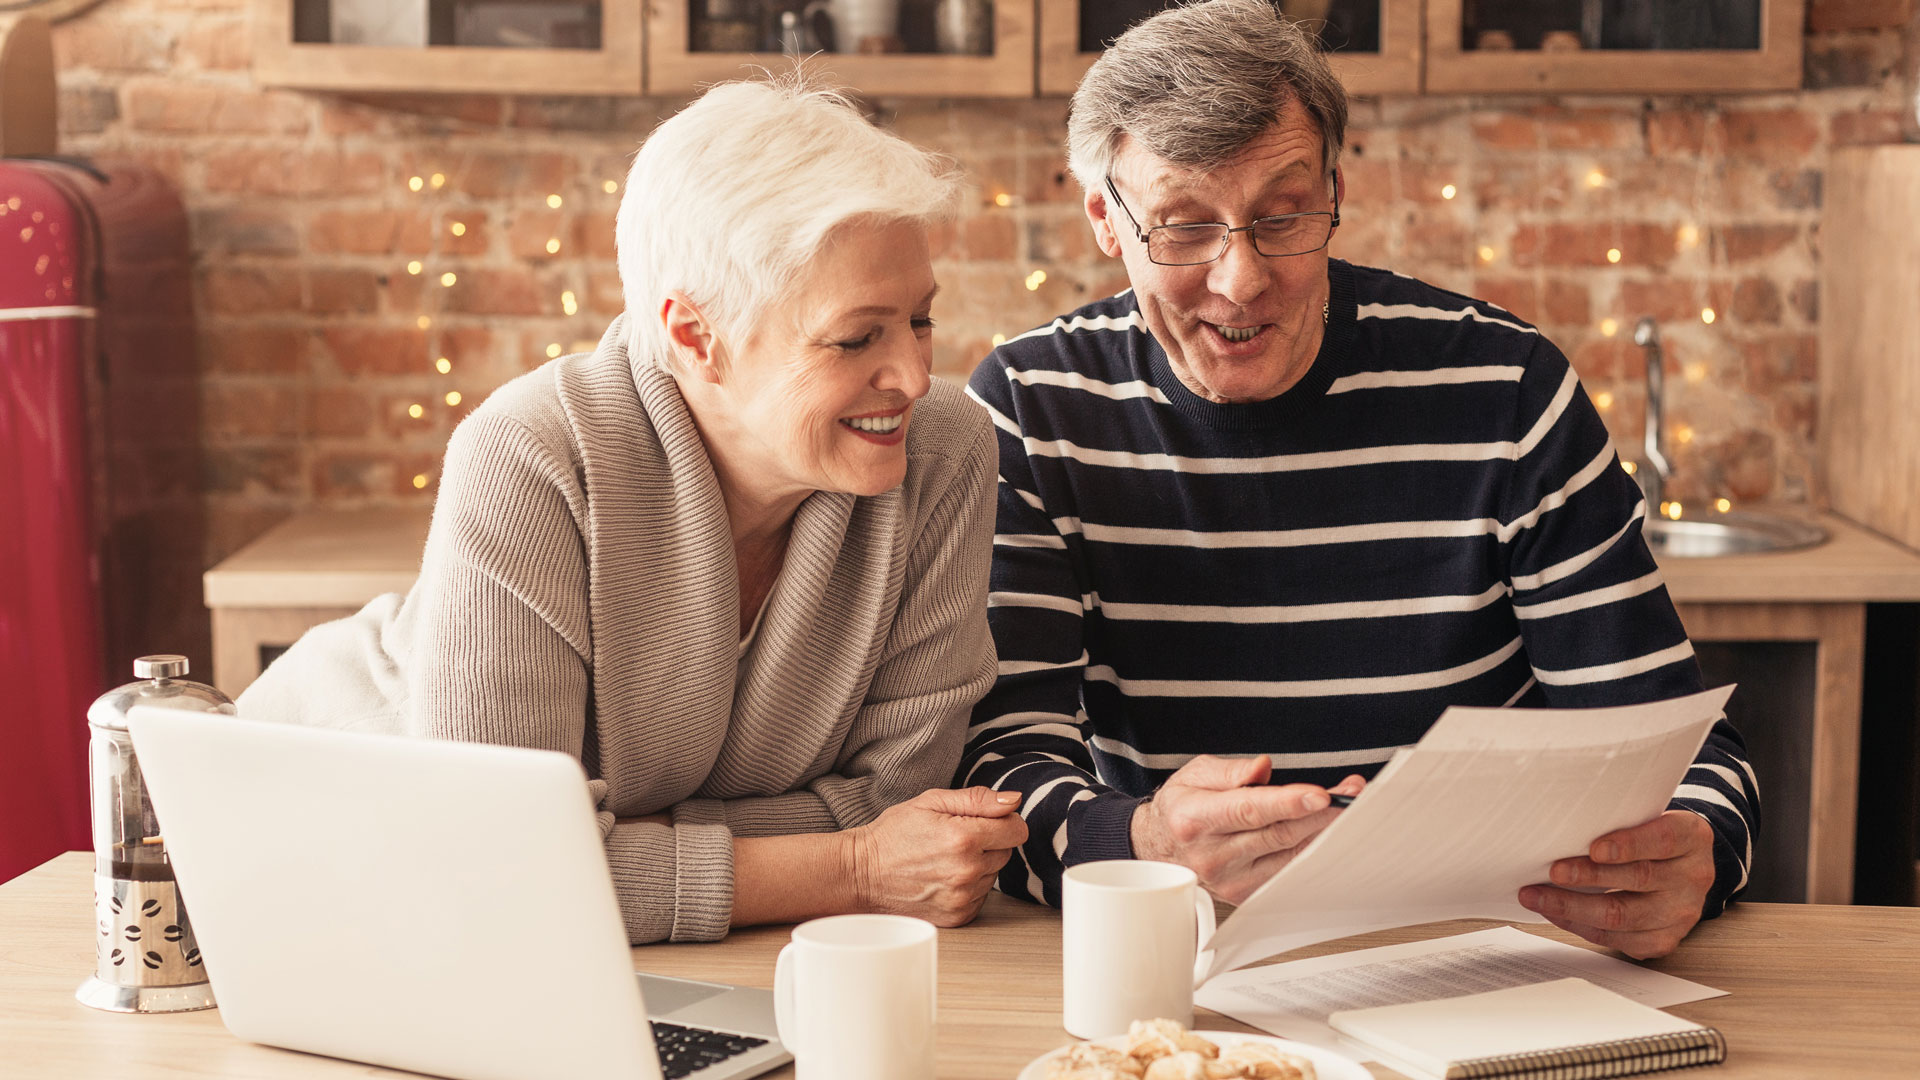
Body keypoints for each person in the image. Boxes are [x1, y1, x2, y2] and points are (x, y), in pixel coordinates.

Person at [959, 0, 1757, 960]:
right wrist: (1138, 843)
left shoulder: (1506, 388)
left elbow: (1673, 746)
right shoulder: (1034, 404)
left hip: (1485, 949)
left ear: (1334, 190)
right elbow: (999, 767)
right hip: (1182, 949)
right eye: (1182, 227)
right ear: (1105, 219)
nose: (1241, 278)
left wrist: (1698, 848)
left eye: (1281, 215)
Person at [241, 78, 1026, 944]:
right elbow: (495, 869)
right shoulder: (530, 453)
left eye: (919, 320)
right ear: (695, 338)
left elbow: (902, 804)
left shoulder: (944, 450)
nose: (913, 376)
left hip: (663, 941)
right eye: (856, 337)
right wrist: (848, 865)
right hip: (307, 867)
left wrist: (607, 851)